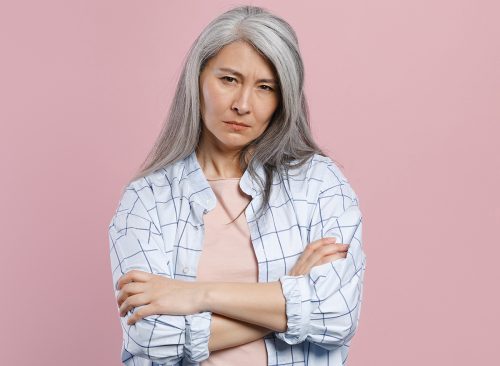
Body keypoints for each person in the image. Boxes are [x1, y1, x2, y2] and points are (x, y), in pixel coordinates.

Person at [108, 5, 366, 366]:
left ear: (283, 99)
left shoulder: (320, 184)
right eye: (229, 79)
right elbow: (149, 338)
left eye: (265, 87)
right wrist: (287, 293)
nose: (243, 104)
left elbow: (337, 315)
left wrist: (198, 295)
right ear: (197, 80)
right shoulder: (146, 200)